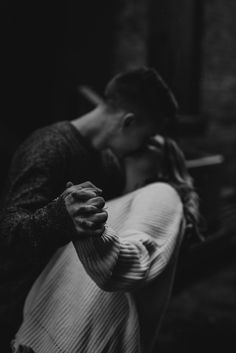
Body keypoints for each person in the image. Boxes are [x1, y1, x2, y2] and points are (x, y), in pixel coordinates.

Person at [0, 67, 178, 349]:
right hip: (23, 315)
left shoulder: (108, 160)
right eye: (145, 138)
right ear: (128, 121)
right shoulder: (49, 146)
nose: (143, 147)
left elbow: (116, 218)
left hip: (72, 306)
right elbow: (8, 236)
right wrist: (61, 216)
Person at [12, 137, 199, 353]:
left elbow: (126, 266)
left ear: (169, 162)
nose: (142, 139)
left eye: (152, 141)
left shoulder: (163, 192)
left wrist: (85, 223)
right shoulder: (117, 201)